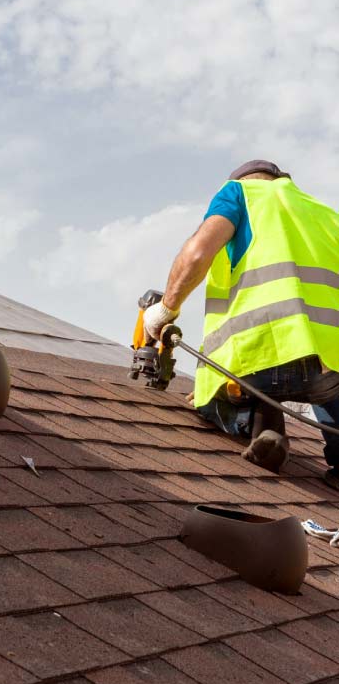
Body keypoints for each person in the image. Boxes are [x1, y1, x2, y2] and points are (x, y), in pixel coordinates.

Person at [143, 159, 339, 485]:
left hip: (260, 357)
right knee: (330, 384)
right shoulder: (325, 213)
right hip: (328, 367)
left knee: (218, 396)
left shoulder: (239, 195)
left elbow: (196, 254)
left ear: (245, 180)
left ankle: (263, 429)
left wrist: (165, 310)